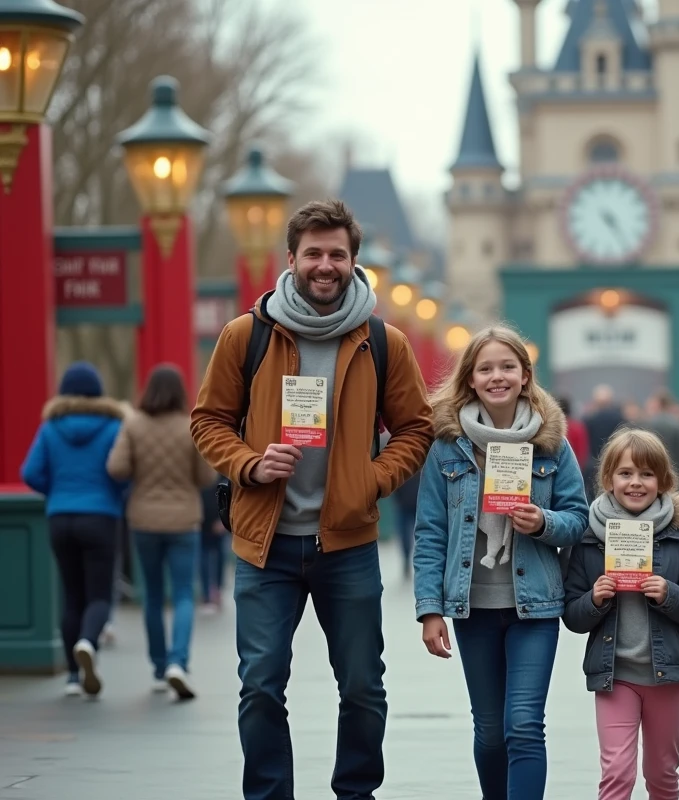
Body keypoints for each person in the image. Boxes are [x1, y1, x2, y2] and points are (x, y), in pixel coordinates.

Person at [191, 199, 435, 800]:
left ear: (354, 262)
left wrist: (372, 479)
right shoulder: (246, 336)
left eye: (337, 255)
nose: (325, 266)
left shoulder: (384, 341)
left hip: (347, 544)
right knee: (261, 686)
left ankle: (355, 791)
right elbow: (208, 421)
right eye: (314, 254)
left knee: (361, 686)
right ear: (292, 259)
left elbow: (417, 428)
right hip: (264, 546)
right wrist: (249, 463)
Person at [413, 325, 588, 800]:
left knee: (525, 725)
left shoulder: (552, 443)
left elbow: (579, 518)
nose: (497, 376)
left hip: (536, 607)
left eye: (507, 367)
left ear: (526, 376)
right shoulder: (447, 447)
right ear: (470, 378)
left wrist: (543, 522)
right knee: (490, 731)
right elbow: (430, 530)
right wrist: (430, 608)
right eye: (486, 368)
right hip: (473, 607)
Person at [563, 428, 679, 800]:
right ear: (608, 479)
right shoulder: (587, 541)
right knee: (616, 771)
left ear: (662, 481)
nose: (636, 483)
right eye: (626, 473)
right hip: (615, 676)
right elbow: (572, 616)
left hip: (668, 677)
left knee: (662, 773)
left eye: (647, 474)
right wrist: (595, 599)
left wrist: (669, 594)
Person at [106, 364, 214, 700]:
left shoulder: (133, 425)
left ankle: (157, 665)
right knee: (183, 593)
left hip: (144, 521)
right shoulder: (190, 427)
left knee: (152, 595)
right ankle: (178, 662)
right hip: (184, 521)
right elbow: (207, 478)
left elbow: (116, 468)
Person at [20, 362, 126, 698]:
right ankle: (88, 641)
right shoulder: (112, 426)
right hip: (100, 517)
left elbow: (30, 472)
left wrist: (57, 492)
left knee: (71, 595)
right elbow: (123, 471)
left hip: (60, 518)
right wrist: (114, 496)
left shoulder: (51, 427)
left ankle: (70, 677)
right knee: (99, 594)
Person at [640, 389, 679, 483]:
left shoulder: (648, 424)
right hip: (673, 474)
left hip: (650, 472)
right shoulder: (677, 425)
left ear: (658, 404)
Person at [198, 476, 228, 613]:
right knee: (205, 556)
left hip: (215, 516)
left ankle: (216, 591)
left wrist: (223, 518)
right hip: (202, 517)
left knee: (219, 555)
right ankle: (207, 594)